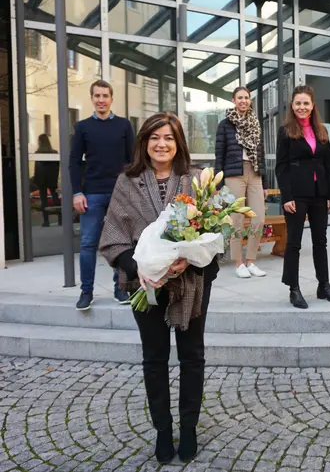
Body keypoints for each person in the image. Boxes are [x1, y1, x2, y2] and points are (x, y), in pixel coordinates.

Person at [99, 112, 219, 464]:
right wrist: (140, 270)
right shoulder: (127, 181)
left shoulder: (197, 180)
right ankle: (163, 431)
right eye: (154, 137)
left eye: (168, 137)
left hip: (191, 282)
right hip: (144, 284)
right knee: (154, 359)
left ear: (178, 141)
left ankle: (190, 428)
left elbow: (216, 236)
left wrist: (191, 259)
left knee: (192, 357)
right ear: (144, 142)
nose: (161, 144)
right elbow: (113, 238)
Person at [275, 85, 330, 309]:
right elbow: (281, 167)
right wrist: (287, 196)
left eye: (306, 103)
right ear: (292, 106)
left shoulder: (322, 131)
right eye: (298, 103)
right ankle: (294, 289)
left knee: (320, 242)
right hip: (297, 193)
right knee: (294, 243)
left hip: (319, 193)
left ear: (313, 105)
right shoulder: (285, 132)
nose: (302, 107)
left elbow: (328, 164)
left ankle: (324, 286)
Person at [70, 80, 134, 311]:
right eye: (97, 95)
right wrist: (77, 192)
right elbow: (74, 162)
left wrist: (132, 192)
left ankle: (121, 288)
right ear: (92, 98)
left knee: (122, 243)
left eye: (105, 95)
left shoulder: (124, 125)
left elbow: (132, 162)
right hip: (92, 194)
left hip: (120, 194)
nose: (101, 100)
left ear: (111, 98)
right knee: (88, 244)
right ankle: (86, 292)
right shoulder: (83, 127)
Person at [215, 86, 268, 279]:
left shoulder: (255, 122)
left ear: (250, 100)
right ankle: (238, 263)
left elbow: (260, 154)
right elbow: (219, 155)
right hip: (233, 174)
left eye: (246, 97)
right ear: (233, 100)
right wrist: (218, 184)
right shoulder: (225, 125)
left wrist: (265, 183)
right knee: (236, 220)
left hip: (254, 174)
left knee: (259, 218)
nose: (243, 101)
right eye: (240, 98)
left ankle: (251, 261)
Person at [33, 134, 60, 227]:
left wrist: (36, 179)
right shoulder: (54, 152)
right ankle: (60, 219)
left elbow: (37, 169)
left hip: (42, 180)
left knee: (44, 200)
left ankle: (46, 221)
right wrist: (55, 178)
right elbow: (57, 167)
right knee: (55, 198)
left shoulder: (38, 153)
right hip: (52, 179)